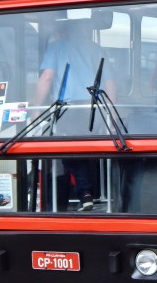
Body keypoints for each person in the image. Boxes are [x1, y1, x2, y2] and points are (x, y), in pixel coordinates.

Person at [35, 18, 116, 212]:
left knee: (69, 152)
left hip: (68, 109)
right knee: (86, 150)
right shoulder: (96, 49)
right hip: (94, 108)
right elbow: (111, 83)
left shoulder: (57, 47)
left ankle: (84, 194)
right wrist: (112, 114)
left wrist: (36, 108)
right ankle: (89, 194)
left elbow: (47, 77)